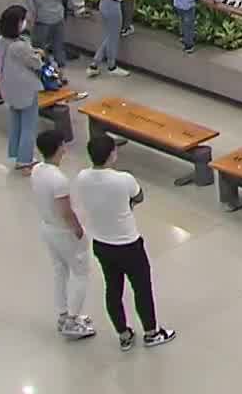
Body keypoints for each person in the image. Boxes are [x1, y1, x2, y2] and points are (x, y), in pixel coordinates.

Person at [73, 134, 175, 350]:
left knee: (113, 288)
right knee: (141, 288)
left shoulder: (82, 177)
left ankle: (123, 333)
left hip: (101, 242)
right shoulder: (123, 179)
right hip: (128, 243)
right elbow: (138, 197)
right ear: (112, 154)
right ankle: (151, 332)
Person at [31, 130, 97, 341]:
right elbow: (66, 211)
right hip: (63, 231)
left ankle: (62, 313)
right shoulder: (59, 180)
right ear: (59, 148)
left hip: (47, 228)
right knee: (80, 273)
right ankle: (73, 318)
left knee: (59, 270)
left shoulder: (37, 170)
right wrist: (78, 230)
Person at [0, 5, 45, 173]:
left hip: (9, 87)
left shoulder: (2, 41)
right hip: (25, 89)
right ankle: (24, 160)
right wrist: (39, 55)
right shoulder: (20, 46)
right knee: (29, 126)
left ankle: (15, 154)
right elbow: (36, 63)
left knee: (15, 123)